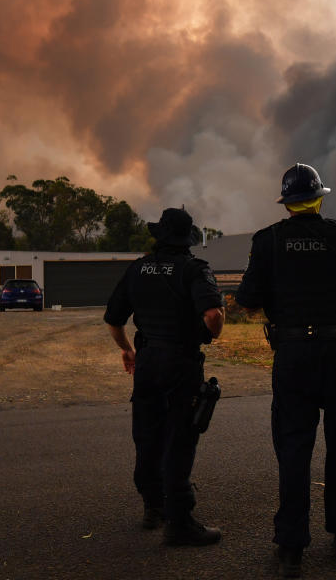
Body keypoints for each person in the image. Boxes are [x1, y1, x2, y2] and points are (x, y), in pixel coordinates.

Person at [235, 163, 336, 578]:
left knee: (293, 449)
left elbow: (248, 301)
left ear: (286, 202)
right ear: (319, 197)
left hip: (292, 356)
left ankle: (291, 547)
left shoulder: (267, 241)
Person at [104, 207, 225, 546]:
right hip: (180, 363)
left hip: (146, 362)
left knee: (147, 435)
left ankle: (152, 507)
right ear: (187, 239)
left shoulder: (138, 268)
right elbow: (213, 314)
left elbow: (113, 319)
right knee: (179, 439)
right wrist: (214, 330)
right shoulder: (193, 269)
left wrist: (128, 350)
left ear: (159, 236)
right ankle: (179, 521)